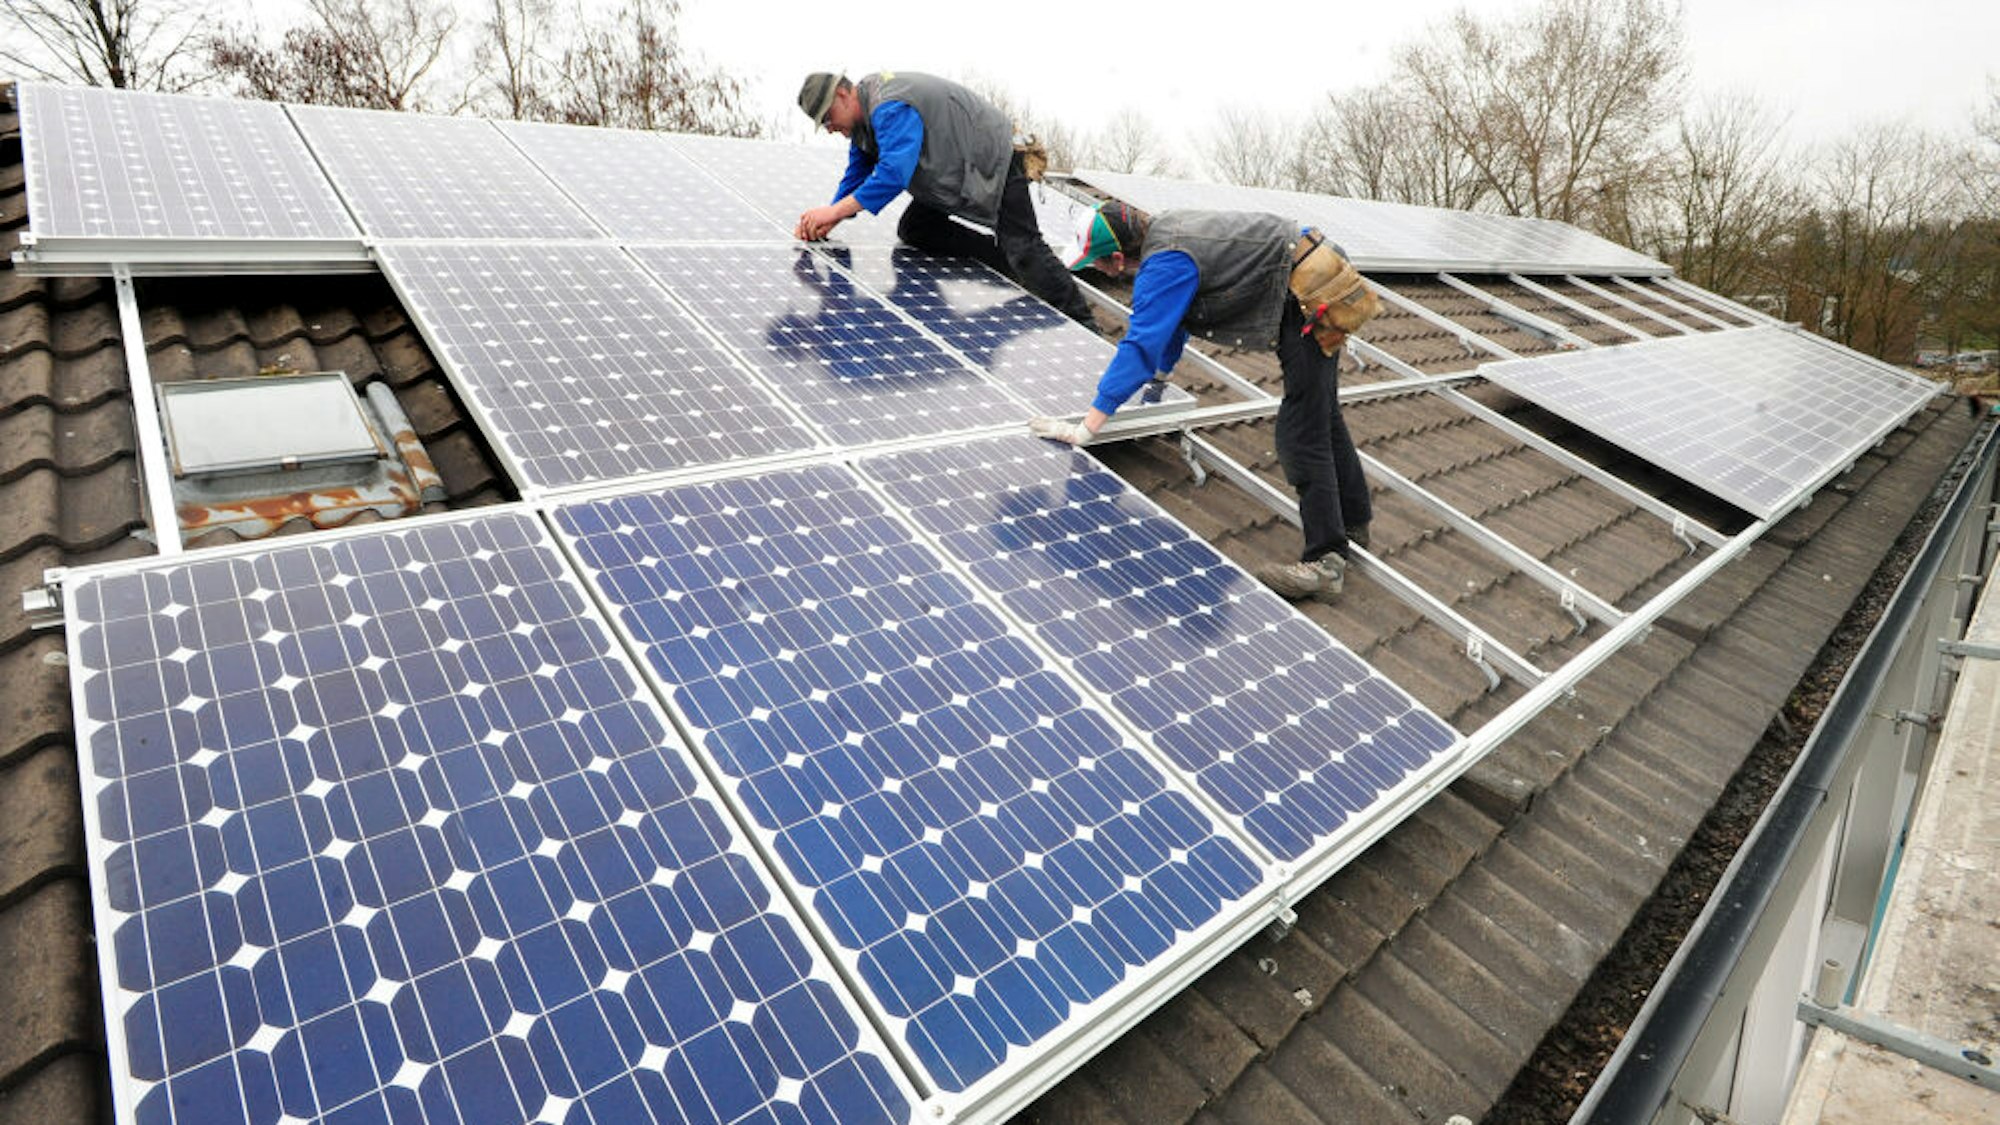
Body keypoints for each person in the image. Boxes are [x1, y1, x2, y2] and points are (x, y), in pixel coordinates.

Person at [1029, 202, 1381, 602]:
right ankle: (1354, 524)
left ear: (1116, 257)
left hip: (1307, 289)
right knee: (1322, 413)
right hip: (1319, 268)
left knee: (1300, 430)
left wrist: (1086, 426)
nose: (1103, 273)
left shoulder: (1165, 261)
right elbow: (1175, 323)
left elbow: (1142, 342)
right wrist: (1161, 376)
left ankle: (1326, 561)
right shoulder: (1169, 234)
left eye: (1100, 265)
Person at [794, 70, 1094, 326]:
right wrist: (832, 216)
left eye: (829, 117)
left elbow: (892, 174)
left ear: (844, 94)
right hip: (952, 169)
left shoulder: (888, 106)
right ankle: (1008, 265)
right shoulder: (865, 120)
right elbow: (858, 170)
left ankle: (1084, 322)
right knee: (916, 229)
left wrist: (832, 214)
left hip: (992, 158)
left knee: (1025, 246)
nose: (831, 129)